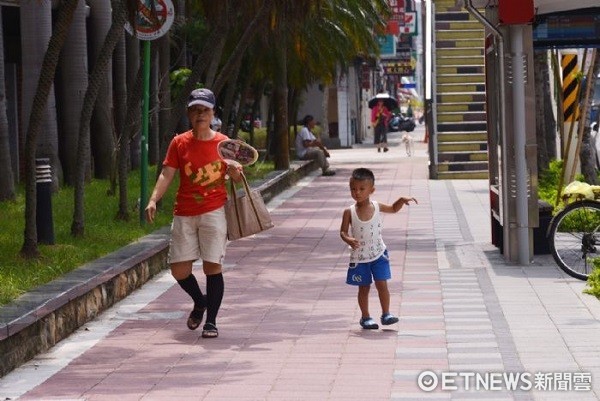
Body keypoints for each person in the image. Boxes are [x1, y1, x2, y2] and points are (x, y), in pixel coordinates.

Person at [145, 88, 242, 339]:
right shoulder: (179, 143)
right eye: (195, 110)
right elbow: (167, 173)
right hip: (185, 212)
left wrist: (235, 172)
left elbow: (237, 176)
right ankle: (200, 301)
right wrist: (154, 199)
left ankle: (211, 322)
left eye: (205, 110)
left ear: (213, 113)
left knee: (213, 266)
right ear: (189, 114)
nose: (200, 114)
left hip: (214, 210)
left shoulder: (224, 143)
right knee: (179, 270)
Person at [339, 168, 418, 329]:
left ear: (371, 190)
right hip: (360, 257)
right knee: (364, 287)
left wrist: (401, 200)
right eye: (353, 189)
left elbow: (393, 209)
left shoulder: (377, 206)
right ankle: (365, 317)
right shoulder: (349, 211)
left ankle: (386, 314)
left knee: (382, 284)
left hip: (379, 253)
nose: (357, 193)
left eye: (362, 189)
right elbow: (342, 231)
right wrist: (348, 239)